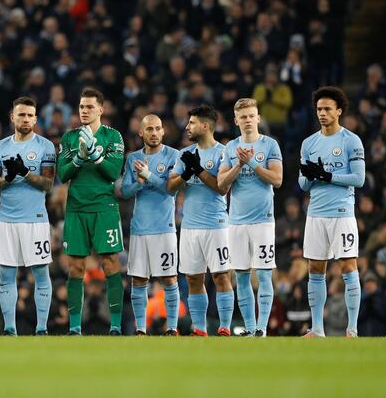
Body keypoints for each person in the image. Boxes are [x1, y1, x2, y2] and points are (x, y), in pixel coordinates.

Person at [56, 87, 126, 335]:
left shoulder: (113, 136)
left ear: (101, 109)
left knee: (110, 263)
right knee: (76, 267)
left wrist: (95, 155)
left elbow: (113, 172)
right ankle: (75, 327)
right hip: (76, 208)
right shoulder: (69, 138)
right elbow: (63, 174)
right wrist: (77, 159)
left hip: (104, 208)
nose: (84, 111)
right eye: (81, 107)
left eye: (89, 107)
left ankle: (115, 326)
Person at [298, 86, 365, 337]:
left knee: (348, 266)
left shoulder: (351, 140)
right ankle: (317, 329)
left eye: (327, 109)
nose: (322, 113)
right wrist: (310, 175)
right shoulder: (309, 143)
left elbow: (358, 179)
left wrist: (327, 175)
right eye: (319, 109)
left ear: (339, 111)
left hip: (342, 213)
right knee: (315, 268)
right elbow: (302, 185)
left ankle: (352, 329)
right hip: (316, 214)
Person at [0, 96, 56, 336]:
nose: (25, 119)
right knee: (6, 275)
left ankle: (42, 328)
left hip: (35, 219)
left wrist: (25, 172)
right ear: (12, 117)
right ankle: (10, 329)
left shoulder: (46, 146)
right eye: (21, 115)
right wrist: (8, 177)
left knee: (41, 273)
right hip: (6, 220)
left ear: (35, 119)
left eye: (29, 115)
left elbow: (48, 184)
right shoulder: (0, 147)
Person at [217, 98, 283, 337]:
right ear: (236, 121)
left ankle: (262, 328)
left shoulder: (270, 145)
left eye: (251, 116)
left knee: (264, 274)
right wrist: (238, 165)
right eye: (243, 117)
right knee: (242, 276)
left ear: (258, 118)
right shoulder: (230, 148)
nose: (247, 120)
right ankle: (250, 327)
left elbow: (277, 179)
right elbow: (221, 184)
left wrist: (252, 163)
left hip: (263, 220)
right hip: (236, 221)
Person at [167, 105, 234, 336]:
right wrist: (186, 173)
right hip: (189, 226)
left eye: (192, 123)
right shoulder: (184, 153)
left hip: (216, 225)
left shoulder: (223, 153)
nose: (187, 127)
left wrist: (198, 169)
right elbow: (170, 187)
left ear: (205, 126)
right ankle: (199, 329)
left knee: (221, 276)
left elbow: (222, 188)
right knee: (193, 279)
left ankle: (225, 327)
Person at [119, 114, 181, 335]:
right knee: (138, 279)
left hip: (164, 228)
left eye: (157, 129)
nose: (154, 133)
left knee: (169, 278)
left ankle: (172, 328)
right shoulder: (132, 158)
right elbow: (125, 192)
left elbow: (171, 189)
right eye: (149, 129)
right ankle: (141, 329)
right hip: (140, 229)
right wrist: (139, 182)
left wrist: (149, 175)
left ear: (163, 131)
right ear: (141, 132)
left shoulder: (174, 155)